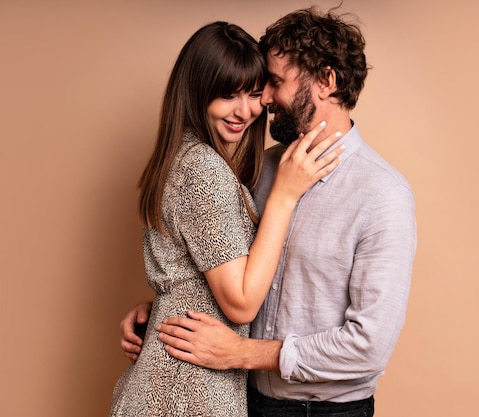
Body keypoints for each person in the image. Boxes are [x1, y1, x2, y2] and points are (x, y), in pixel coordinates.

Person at [121, 7, 417, 417]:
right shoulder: (258, 170)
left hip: (324, 412)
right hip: (243, 399)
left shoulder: (382, 193)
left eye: (273, 83)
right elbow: (224, 270)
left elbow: (369, 346)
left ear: (326, 82)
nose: (262, 101)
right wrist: (165, 310)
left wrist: (242, 353)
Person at [109, 21, 343, 417]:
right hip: (186, 391)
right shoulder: (202, 168)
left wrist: (163, 304)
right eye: (227, 95)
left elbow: (195, 270)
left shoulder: (184, 158)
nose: (246, 111)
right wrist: (284, 197)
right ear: (197, 92)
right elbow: (240, 303)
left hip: (179, 381)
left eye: (254, 94)